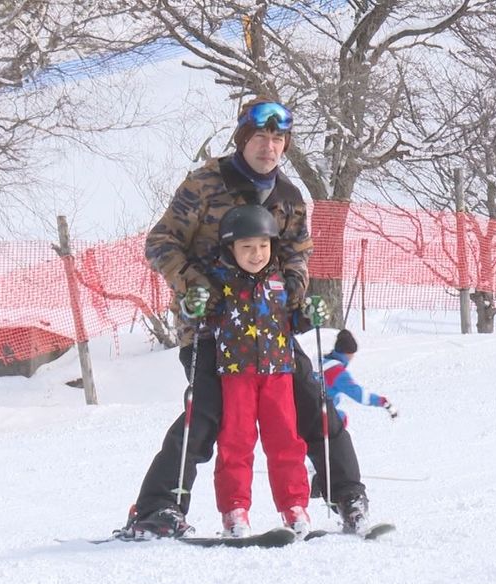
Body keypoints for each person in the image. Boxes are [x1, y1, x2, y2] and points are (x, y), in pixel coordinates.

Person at [119, 97, 372, 539]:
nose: (269, 147)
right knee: (207, 414)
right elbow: (161, 243)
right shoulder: (205, 184)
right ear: (243, 139)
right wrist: (196, 285)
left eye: (278, 139)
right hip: (209, 326)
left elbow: (296, 258)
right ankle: (158, 509)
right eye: (260, 137)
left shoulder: (289, 197)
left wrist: (293, 296)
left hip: (269, 327)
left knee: (311, 404)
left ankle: (347, 495)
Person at [199, 204, 312, 536]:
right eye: (247, 247)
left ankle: (294, 506)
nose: (256, 254)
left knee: (286, 441)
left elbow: (295, 318)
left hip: (279, 373)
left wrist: (309, 315)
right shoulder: (220, 283)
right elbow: (198, 310)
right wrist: (193, 303)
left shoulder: (281, 281)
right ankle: (235, 510)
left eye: (263, 246)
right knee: (236, 441)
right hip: (237, 375)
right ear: (231, 249)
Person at [322, 329, 398, 427]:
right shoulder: (337, 372)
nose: (353, 357)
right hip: (320, 416)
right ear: (347, 353)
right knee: (341, 419)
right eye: (352, 354)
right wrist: (383, 401)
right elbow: (360, 396)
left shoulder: (322, 362)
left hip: (307, 410)